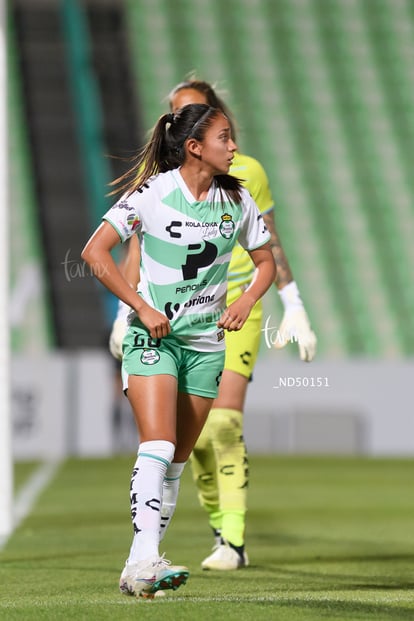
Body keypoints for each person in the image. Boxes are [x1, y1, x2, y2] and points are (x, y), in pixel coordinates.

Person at [109, 79, 317, 572]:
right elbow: (133, 246)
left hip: (230, 315)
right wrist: (129, 309)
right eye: (179, 116)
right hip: (163, 321)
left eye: (197, 112)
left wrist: (294, 304)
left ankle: (233, 538)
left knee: (221, 424)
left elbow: (270, 246)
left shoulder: (244, 177)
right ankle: (157, 552)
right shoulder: (163, 180)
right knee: (183, 443)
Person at [81, 103, 276, 598]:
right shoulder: (151, 194)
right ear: (194, 147)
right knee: (160, 444)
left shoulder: (237, 200)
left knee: (177, 461)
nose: (234, 147)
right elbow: (94, 253)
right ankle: (147, 558)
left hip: (207, 345)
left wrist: (247, 299)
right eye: (224, 138)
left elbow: (265, 261)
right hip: (155, 338)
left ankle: (138, 564)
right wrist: (141, 308)